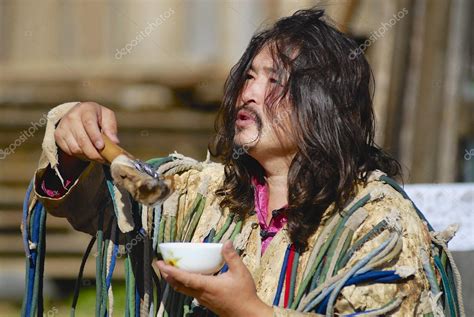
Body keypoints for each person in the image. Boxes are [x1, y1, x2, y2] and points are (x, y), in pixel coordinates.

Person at [26, 8, 463, 317]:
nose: (249, 93)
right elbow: (100, 206)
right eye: (249, 76)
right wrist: (73, 144)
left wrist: (250, 312)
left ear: (325, 107)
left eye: (275, 80)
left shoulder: (379, 224)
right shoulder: (203, 197)